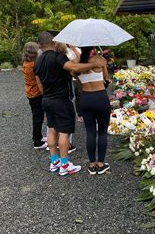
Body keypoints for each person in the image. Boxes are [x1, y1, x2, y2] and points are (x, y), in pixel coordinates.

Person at [34, 32, 106, 176]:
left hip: (46, 99)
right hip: (61, 99)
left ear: (40, 45)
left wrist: (45, 95)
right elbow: (74, 68)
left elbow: (38, 81)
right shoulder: (57, 57)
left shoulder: (39, 59)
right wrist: (94, 63)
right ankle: (65, 164)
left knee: (51, 129)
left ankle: (54, 161)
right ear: (54, 43)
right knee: (64, 132)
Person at [78, 46, 112, 175]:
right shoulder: (100, 59)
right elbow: (106, 78)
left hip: (86, 98)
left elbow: (78, 80)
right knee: (102, 132)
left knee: (90, 132)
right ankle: (101, 164)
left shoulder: (78, 63)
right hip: (100, 97)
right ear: (92, 47)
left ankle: (92, 164)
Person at [22, 42, 47, 149]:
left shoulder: (26, 63)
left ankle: (38, 136)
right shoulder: (34, 65)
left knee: (37, 116)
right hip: (36, 93)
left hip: (30, 92)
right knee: (38, 117)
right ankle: (37, 141)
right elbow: (39, 79)